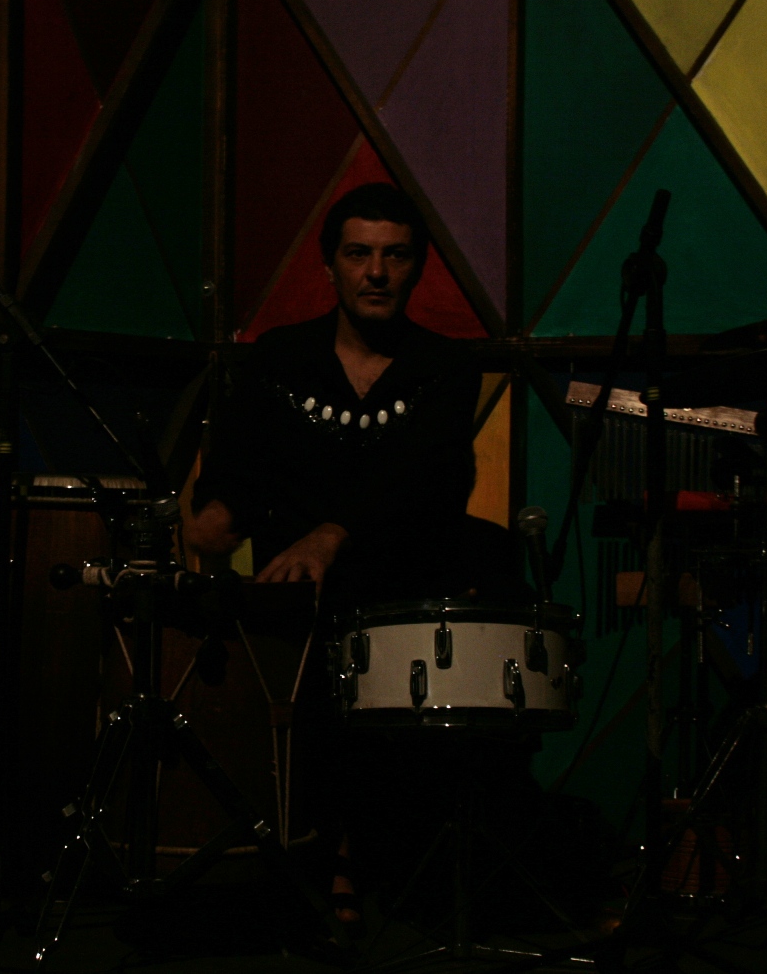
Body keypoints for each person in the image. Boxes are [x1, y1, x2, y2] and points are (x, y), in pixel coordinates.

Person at [184, 182, 528, 925]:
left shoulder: (442, 366)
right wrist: (215, 513)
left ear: (417, 268)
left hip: (397, 599)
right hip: (294, 606)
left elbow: (429, 483)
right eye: (358, 253)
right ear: (329, 266)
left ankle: (356, 856)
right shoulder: (279, 357)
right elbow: (239, 463)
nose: (376, 272)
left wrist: (332, 535)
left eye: (395, 256)